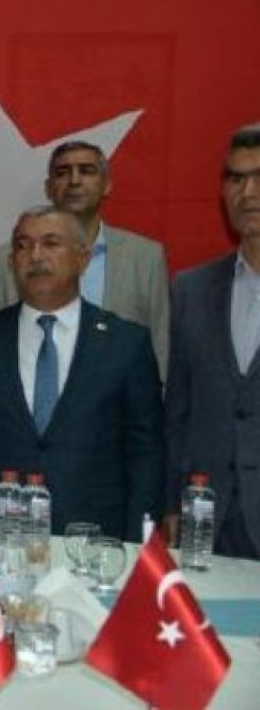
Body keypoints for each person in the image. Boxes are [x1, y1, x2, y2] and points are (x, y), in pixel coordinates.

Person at [0, 206, 164, 541]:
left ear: (83, 258)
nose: (35, 256)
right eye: (23, 245)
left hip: (94, 540)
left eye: (50, 243)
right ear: (12, 262)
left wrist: (139, 543)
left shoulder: (126, 343)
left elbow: (145, 451)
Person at [0, 141, 170, 377]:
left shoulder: (145, 258)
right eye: (63, 173)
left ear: (107, 185)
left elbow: (160, 350)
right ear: (49, 188)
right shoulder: (5, 260)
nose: (74, 180)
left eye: (86, 171)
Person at [164, 122, 260, 559]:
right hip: (206, 520)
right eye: (236, 178)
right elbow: (178, 410)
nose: (248, 192)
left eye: (258, 177)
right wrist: (172, 501)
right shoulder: (192, 288)